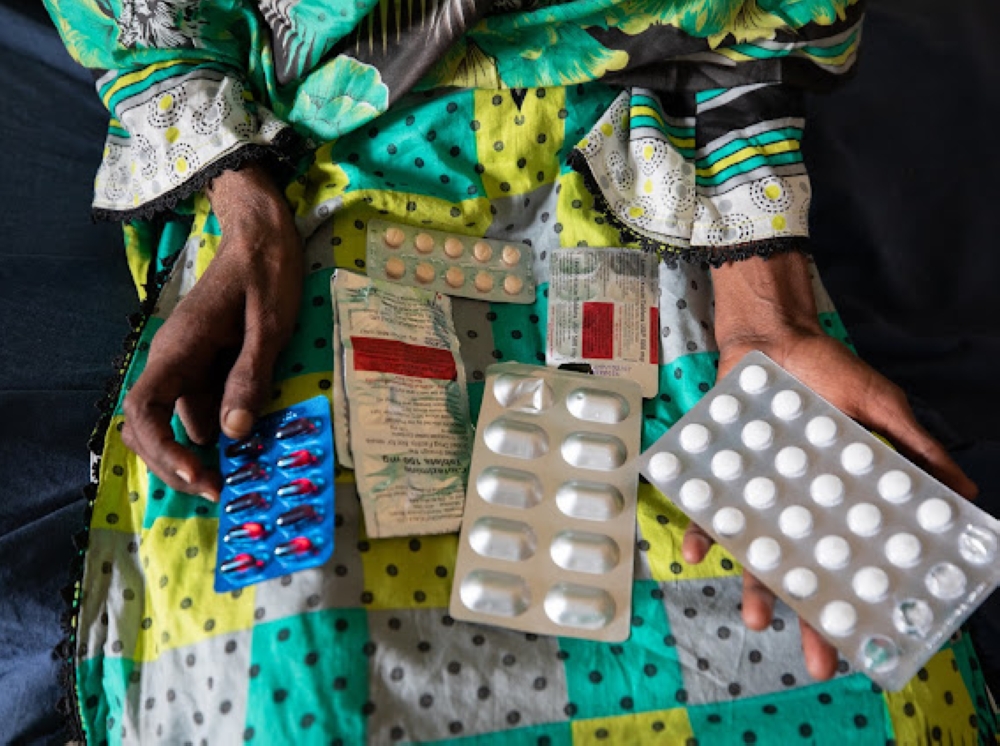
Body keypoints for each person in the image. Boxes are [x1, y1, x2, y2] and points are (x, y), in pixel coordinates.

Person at [44, 0, 990, 742]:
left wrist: (766, 306)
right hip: (323, 152)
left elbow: (758, 20)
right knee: (292, 687)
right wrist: (247, 215)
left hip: (644, 157)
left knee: (846, 675)